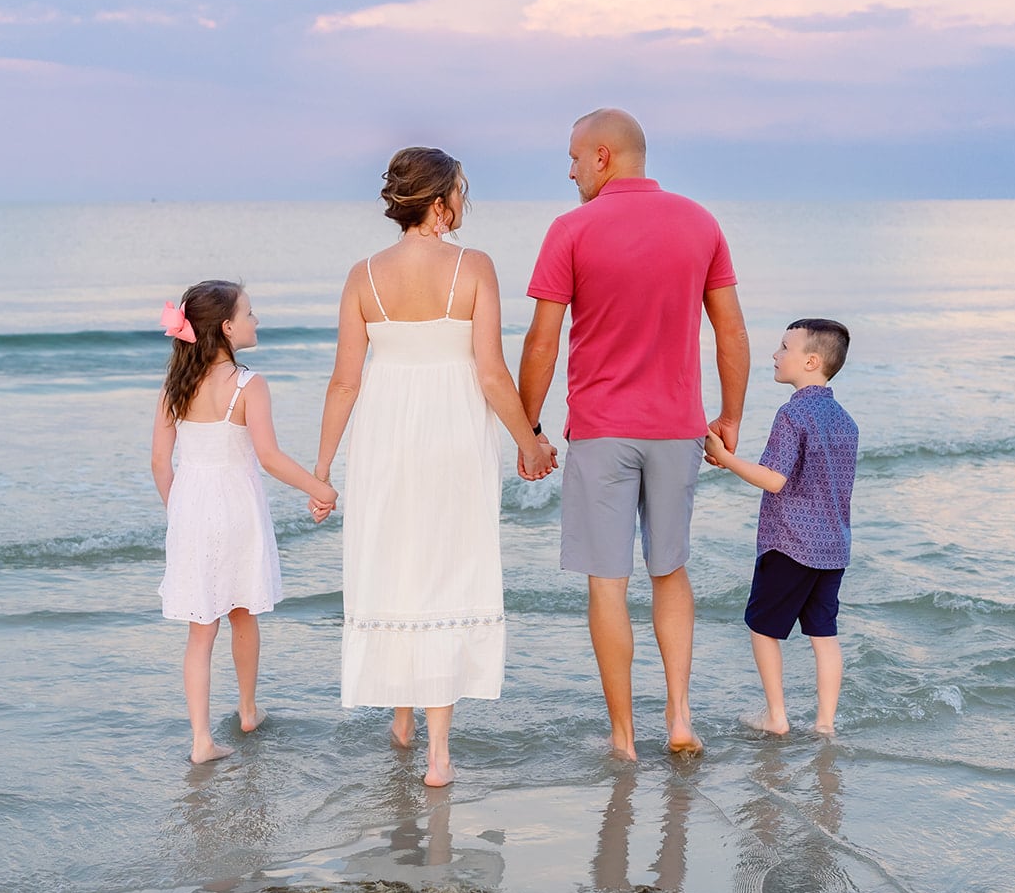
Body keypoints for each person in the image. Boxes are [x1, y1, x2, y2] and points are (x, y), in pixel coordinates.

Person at [315, 147, 555, 787]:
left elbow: (343, 383)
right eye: (461, 192)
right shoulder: (473, 266)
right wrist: (529, 440)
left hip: (385, 435)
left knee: (396, 562)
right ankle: (440, 754)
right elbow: (491, 371)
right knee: (449, 567)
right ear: (443, 198)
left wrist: (321, 469)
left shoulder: (361, 275)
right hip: (452, 431)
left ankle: (401, 719)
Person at [517, 108, 751, 760]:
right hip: (677, 428)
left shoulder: (570, 230)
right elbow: (730, 330)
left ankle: (624, 738)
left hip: (601, 430)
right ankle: (679, 715)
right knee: (670, 570)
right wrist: (730, 413)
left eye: (572, 158)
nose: (567, 171)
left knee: (607, 581)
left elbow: (543, 339)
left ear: (602, 156)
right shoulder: (700, 223)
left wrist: (528, 425)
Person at [152, 280, 338, 764]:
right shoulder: (249, 384)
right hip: (237, 510)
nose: (257, 321)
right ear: (229, 328)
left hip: (190, 510)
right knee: (242, 613)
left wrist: (180, 513)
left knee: (200, 629)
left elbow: (159, 463)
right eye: (251, 313)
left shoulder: (175, 386)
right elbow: (270, 457)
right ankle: (248, 709)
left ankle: (200, 740)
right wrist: (319, 488)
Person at [704, 319, 857, 736]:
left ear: (810, 361)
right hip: (833, 547)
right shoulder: (846, 420)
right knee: (824, 634)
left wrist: (724, 457)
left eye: (784, 347)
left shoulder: (792, 413)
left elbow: (775, 478)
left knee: (762, 626)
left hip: (789, 542)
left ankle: (777, 717)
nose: (775, 354)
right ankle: (825, 724)